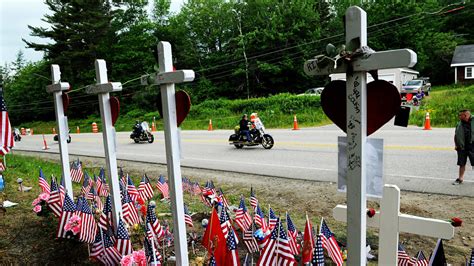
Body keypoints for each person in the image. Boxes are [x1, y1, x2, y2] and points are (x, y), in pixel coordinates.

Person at [453, 109, 474, 185]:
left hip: (472, 146)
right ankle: (460, 178)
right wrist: (456, 145)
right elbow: (456, 136)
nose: (459, 116)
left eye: (460, 115)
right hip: (462, 146)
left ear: (465, 115)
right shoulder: (459, 124)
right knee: (462, 163)